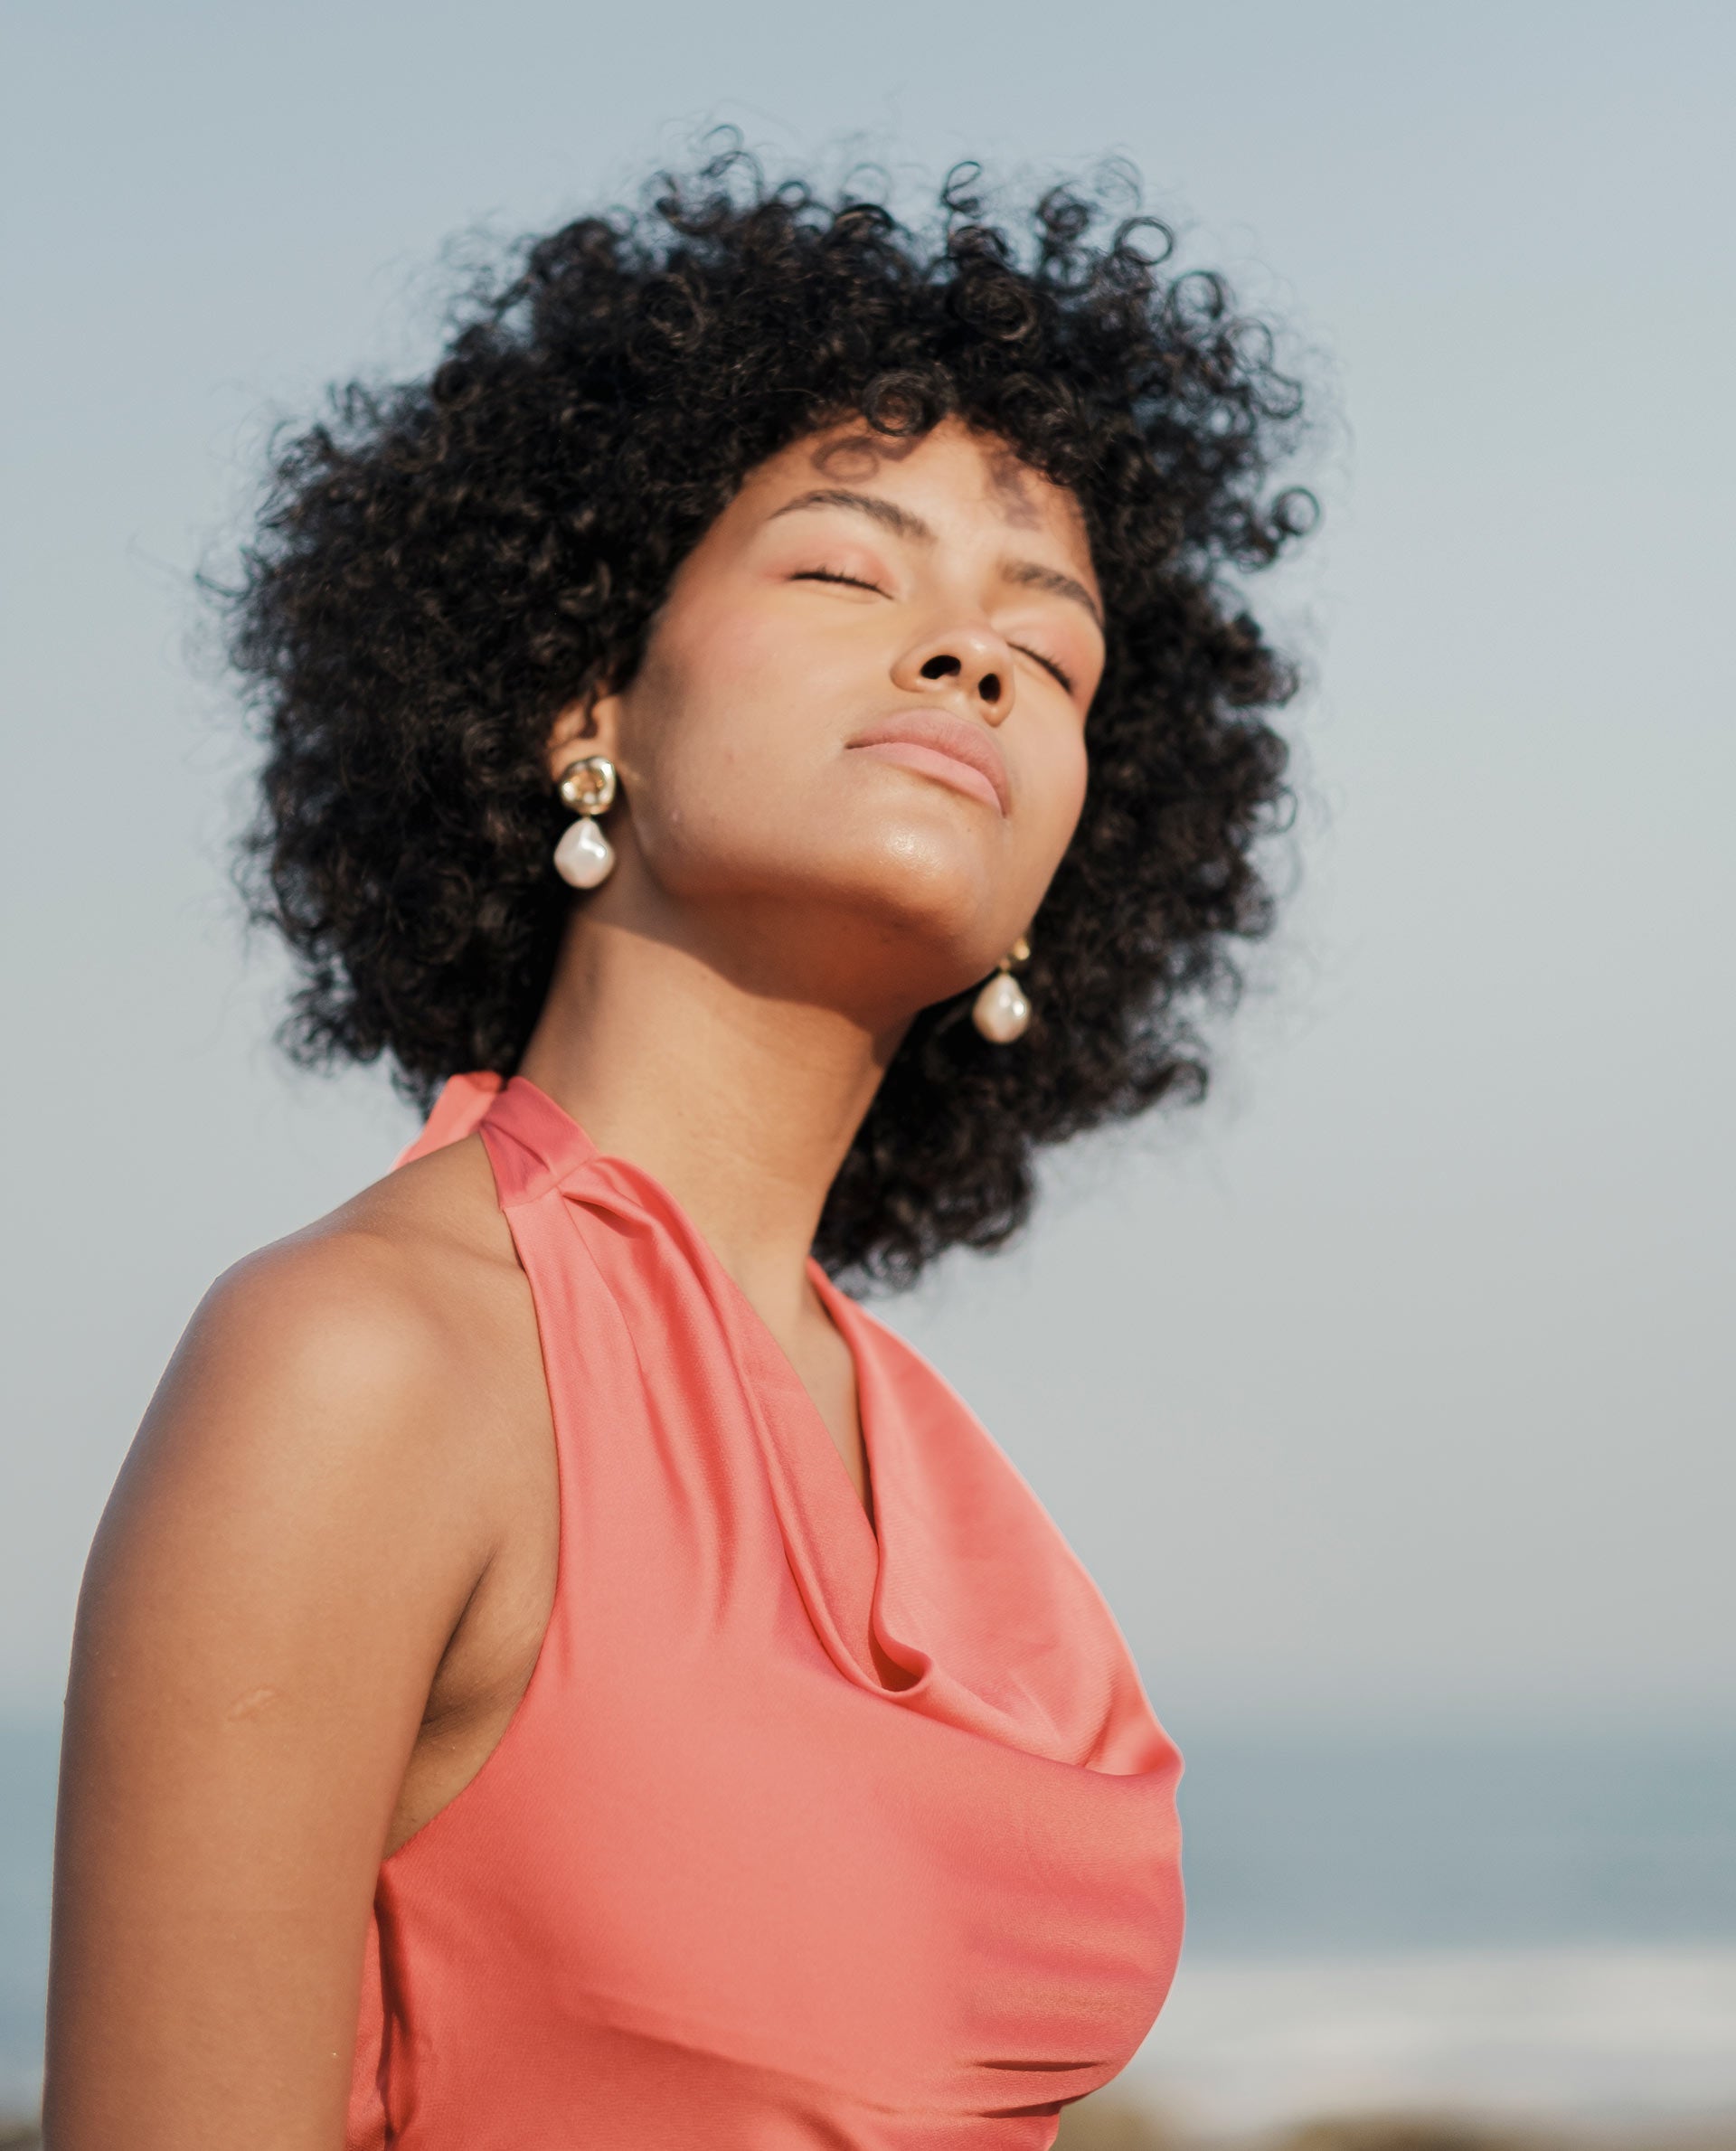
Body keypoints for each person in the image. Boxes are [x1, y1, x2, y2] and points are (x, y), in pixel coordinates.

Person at [43, 150, 1312, 2149]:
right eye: (843, 568)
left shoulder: (944, 1477)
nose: (971, 657)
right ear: (583, 709)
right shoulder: (364, 1364)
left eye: (1047, 652)